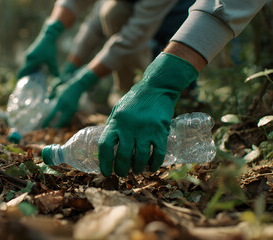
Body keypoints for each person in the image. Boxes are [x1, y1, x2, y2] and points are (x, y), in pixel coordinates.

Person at [19, 0, 267, 177]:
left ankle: (178, 96)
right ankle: (136, 106)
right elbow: (94, 23)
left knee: (117, 12)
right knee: (111, 8)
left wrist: (161, 83)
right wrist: (63, 56)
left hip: (182, 14)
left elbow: (133, 35)